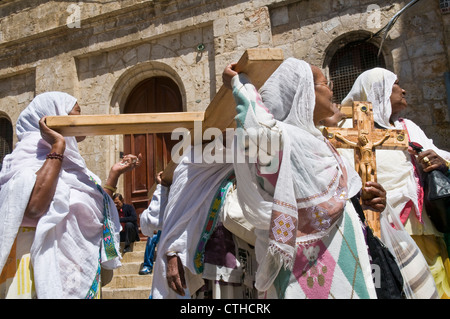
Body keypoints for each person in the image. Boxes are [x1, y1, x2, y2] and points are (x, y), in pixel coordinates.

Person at [221, 58, 388, 299]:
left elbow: (321, 203)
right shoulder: (283, 142)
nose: (331, 89)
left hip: (346, 259)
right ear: (302, 91)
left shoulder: (317, 142)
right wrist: (239, 84)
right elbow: (256, 130)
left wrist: (361, 201)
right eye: (324, 83)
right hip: (301, 275)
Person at [0, 92, 141, 299]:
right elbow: (34, 206)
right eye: (76, 112)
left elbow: (92, 211)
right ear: (55, 114)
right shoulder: (30, 157)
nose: (81, 119)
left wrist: (114, 175)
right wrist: (57, 146)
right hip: (35, 272)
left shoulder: (72, 166)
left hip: (75, 271)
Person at [341, 67, 448, 298]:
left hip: (425, 228)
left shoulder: (405, 128)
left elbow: (441, 154)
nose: (404, 89)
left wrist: (441, 161)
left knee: (436, 287)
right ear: (378, 90)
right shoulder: (347, 131)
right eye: (396, 83)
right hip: (382, 230)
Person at [139, 171, 168, 275]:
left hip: (169, 223)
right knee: (152, 239)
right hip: (160, 223)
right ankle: (147, 265)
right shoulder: (158, 196)